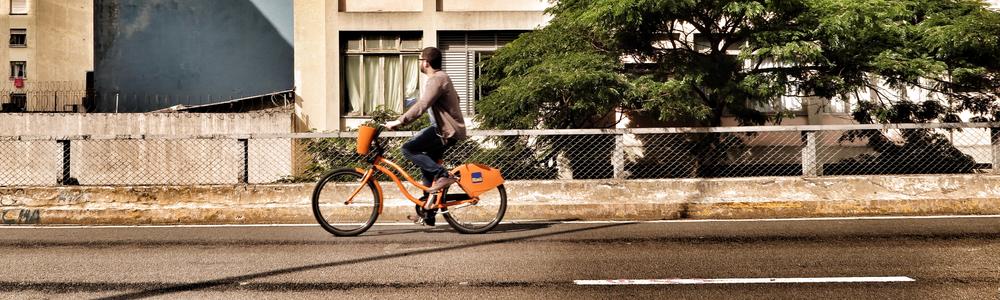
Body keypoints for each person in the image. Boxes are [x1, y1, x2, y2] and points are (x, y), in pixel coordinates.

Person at [384, 47, 467, 225]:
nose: (420, 63)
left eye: (420, 60)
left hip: (445, 131)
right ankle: (427, 213)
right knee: (426, 167)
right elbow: (456, 99)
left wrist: (399, 121)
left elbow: (422, 104)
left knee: (408, 149)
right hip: (443, 129)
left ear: (426, 62)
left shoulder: (436, 79)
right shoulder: (442, 78)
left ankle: (443, 175)